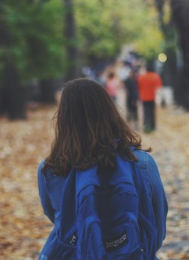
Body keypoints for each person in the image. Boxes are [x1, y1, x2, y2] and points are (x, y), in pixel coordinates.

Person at [38, 78, 167, 259]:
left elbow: (59, 220)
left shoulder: (51, 169)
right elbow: (157, 229)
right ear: (110, 112)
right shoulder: (142, 163)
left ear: (64, 118)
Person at [137, 63, 162, 133]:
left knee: (146, 112)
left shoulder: (141, 77)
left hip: (144, 97)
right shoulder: (155, 76)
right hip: (152, 97)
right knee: (152, 112)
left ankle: (146, 126)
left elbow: (138, 86)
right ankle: (153, 126)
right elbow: (158, 88)